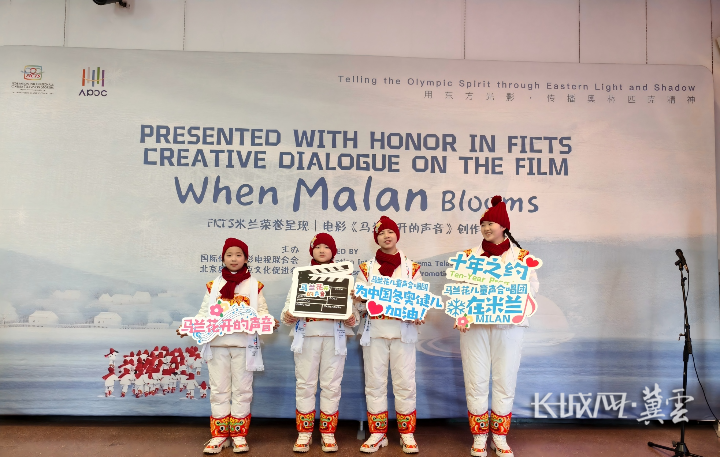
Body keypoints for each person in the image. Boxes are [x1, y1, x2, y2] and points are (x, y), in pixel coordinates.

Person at [455, 196, 539, 457]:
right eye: (483, 225)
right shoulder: (469, 257)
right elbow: (459, 290)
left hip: (509, 327)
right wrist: (460, 315)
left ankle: (500, 438)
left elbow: (532, 288)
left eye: (490, 223)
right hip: (475, 328)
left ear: (503, 226)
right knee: (476, 379)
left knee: (505, 379)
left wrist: (512, 299)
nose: (486, 228)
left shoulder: (522, 257)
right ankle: (479, 436)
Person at [179, 237, 278, 454]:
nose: (234, 259)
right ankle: (219, 435)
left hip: (244, 345)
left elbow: (262, 312)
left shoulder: (254, 285)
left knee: (242, 390)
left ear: (246, 258)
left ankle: (239, 435)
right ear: (223, 258)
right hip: (217, 345)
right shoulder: (213, 285)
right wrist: (190, 327)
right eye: (229, 254)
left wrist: (269, 321)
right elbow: (204, 313)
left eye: (238, 255)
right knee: (219, 390)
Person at [281, 233, 359, 453]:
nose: (322, 250)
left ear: (333, 251)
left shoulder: (345, 278)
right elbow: (288, 308)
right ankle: (304, 433)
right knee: (305, 384)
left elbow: (354, 313)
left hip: (334, 338)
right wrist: (288, 315)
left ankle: (328, 433)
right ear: (311, 250)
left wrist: (351, 319)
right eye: (317, 247)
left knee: (332, 385)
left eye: (326, 246)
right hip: (306, 337)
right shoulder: (302, 276)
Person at [354, 216, 423, 454]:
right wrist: (360, 299)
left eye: (390, 232)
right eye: (382, 233)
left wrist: (418, 312)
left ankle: (407, 434)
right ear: (377, 238)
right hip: (374, 333)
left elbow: (419, 300)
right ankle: (378, 434)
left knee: (405, 383)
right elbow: (358, 305)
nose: (386, 236)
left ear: (396, 235)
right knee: (374, 383)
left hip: (403, 333)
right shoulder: (366, 269)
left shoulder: (411, 268)